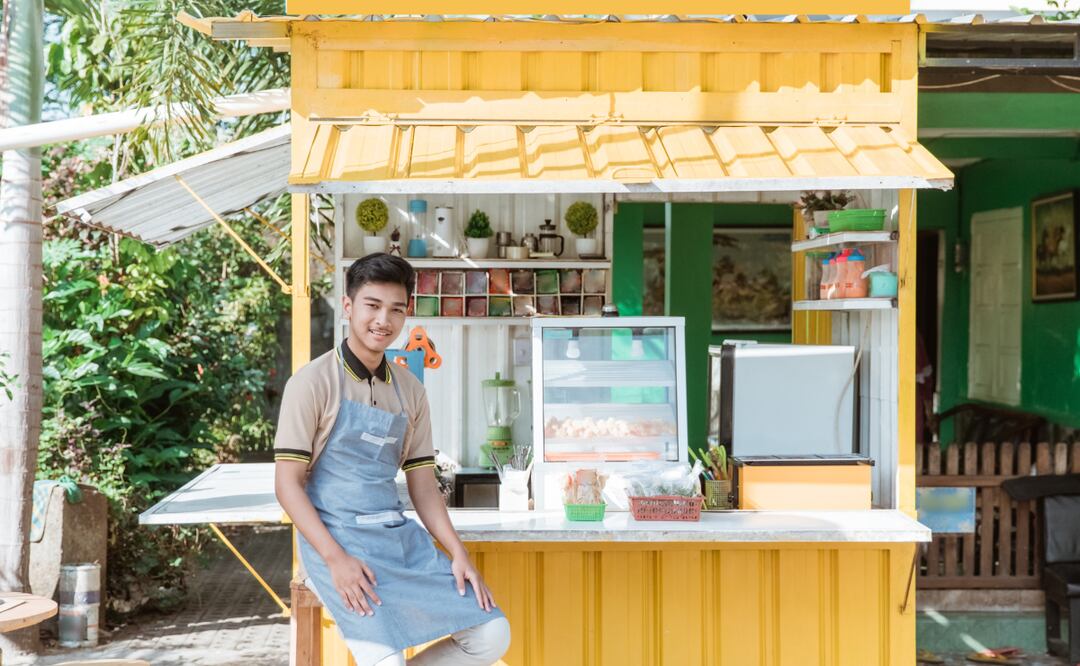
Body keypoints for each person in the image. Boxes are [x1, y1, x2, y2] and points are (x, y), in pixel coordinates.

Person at [274, 254, 510, 666]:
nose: (383, 319)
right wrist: (336, 560)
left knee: (492, 634)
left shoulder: (409, 389)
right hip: (336, 542)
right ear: (348, 307)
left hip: (397, 540)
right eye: (372, 305)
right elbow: (287, 485)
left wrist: (458, 552)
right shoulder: (311, 383)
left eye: (396, 309)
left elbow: (422, 485)